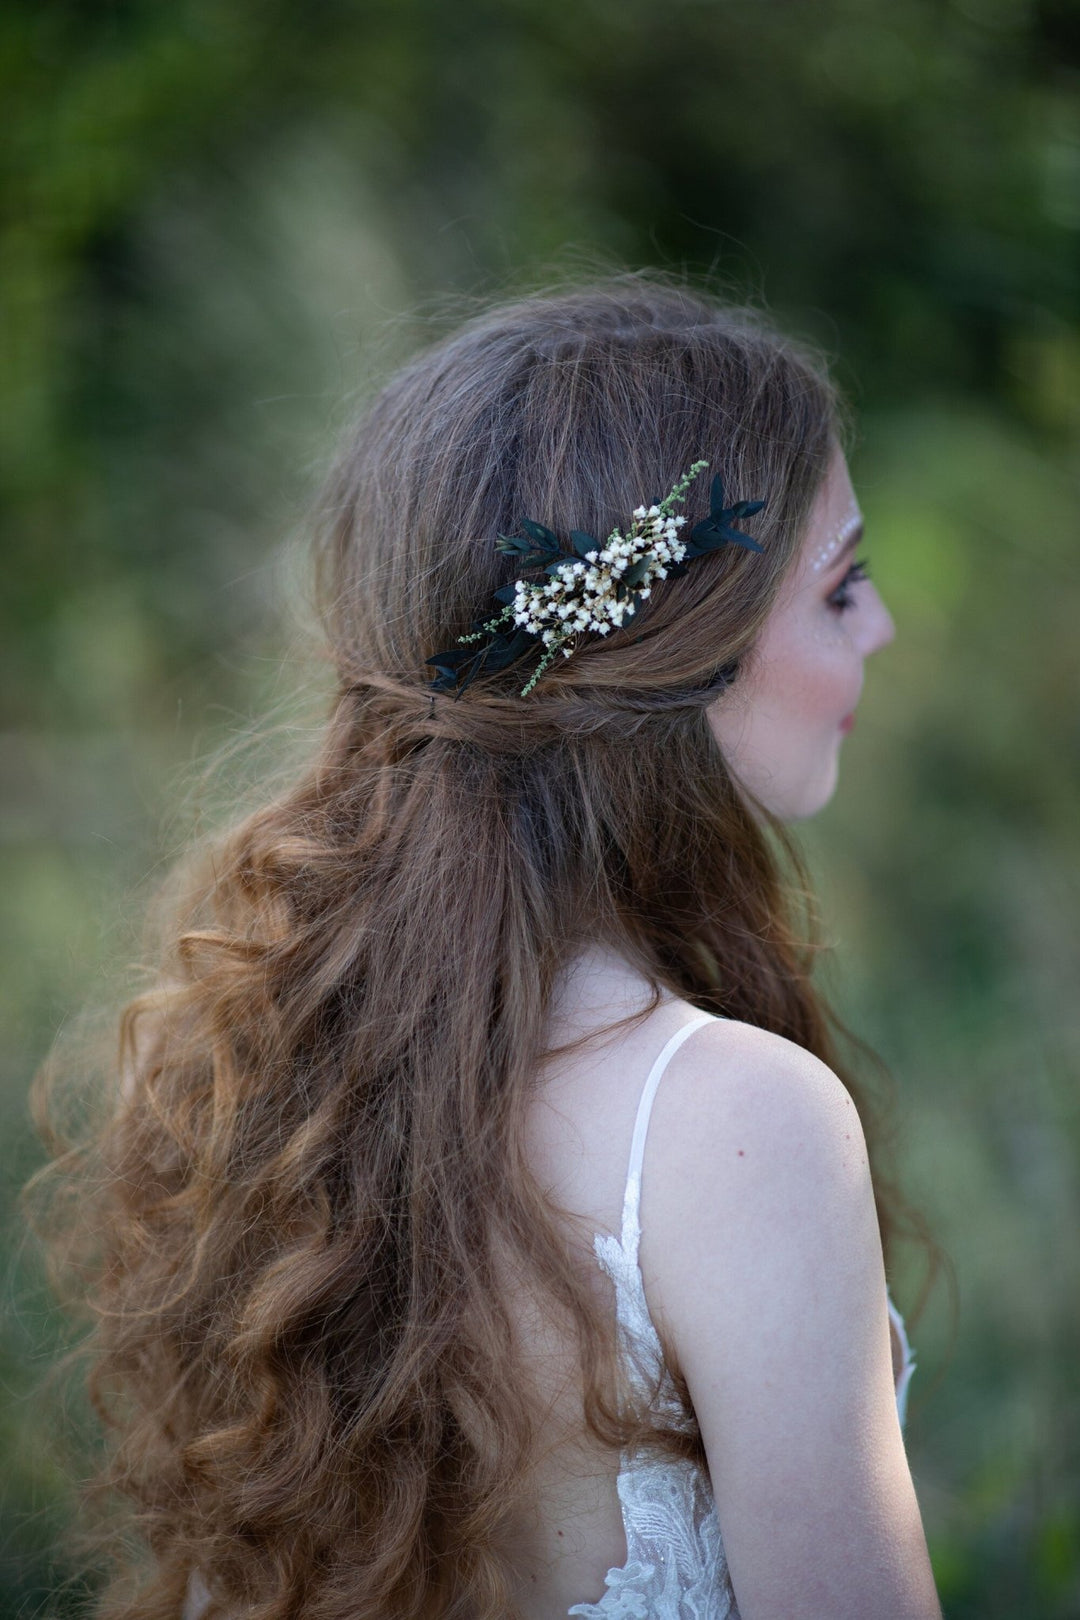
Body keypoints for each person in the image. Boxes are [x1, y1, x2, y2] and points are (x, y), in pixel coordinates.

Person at [34, 278, 943, 1619]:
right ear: (675, 646)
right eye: (844, 585)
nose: (880, 628)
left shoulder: (276, 1075)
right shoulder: (742, 1123)